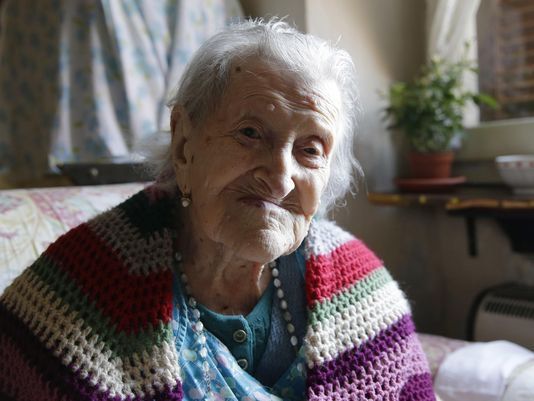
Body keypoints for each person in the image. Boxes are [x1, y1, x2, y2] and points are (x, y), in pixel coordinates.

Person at [0, 19, 435, 401]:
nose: (282, 178)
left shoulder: (360, 285)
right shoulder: (76, 289)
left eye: (310, 150)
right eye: (250, 133)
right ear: (184, 144)